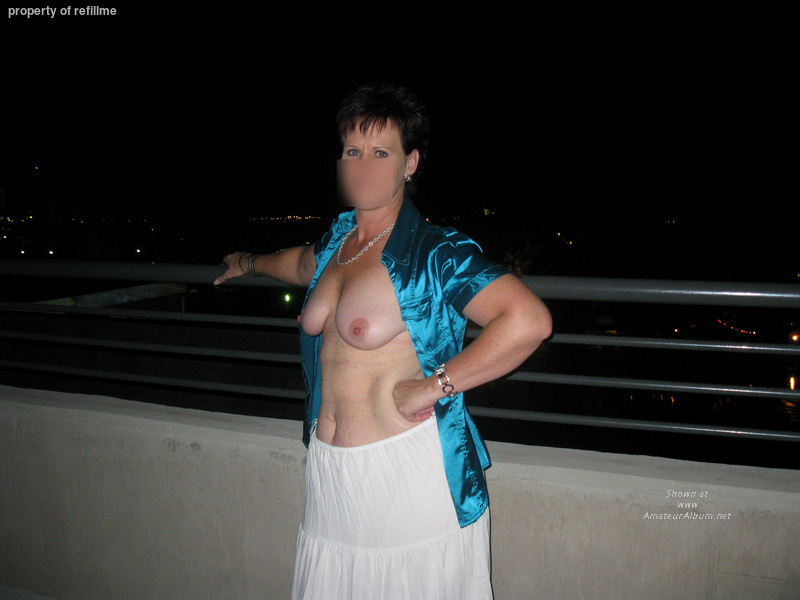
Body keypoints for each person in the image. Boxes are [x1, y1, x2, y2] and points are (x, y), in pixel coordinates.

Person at [214, 81, 552, 600]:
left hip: (406, 476)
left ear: (409, 163)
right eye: (352, 151)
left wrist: (434, 386)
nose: (363, 166)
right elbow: (300, 264)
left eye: (381, 152)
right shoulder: (337, 243)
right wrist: (248, 262)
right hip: (330, 475)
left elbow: (527, 320)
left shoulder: (434, 251)